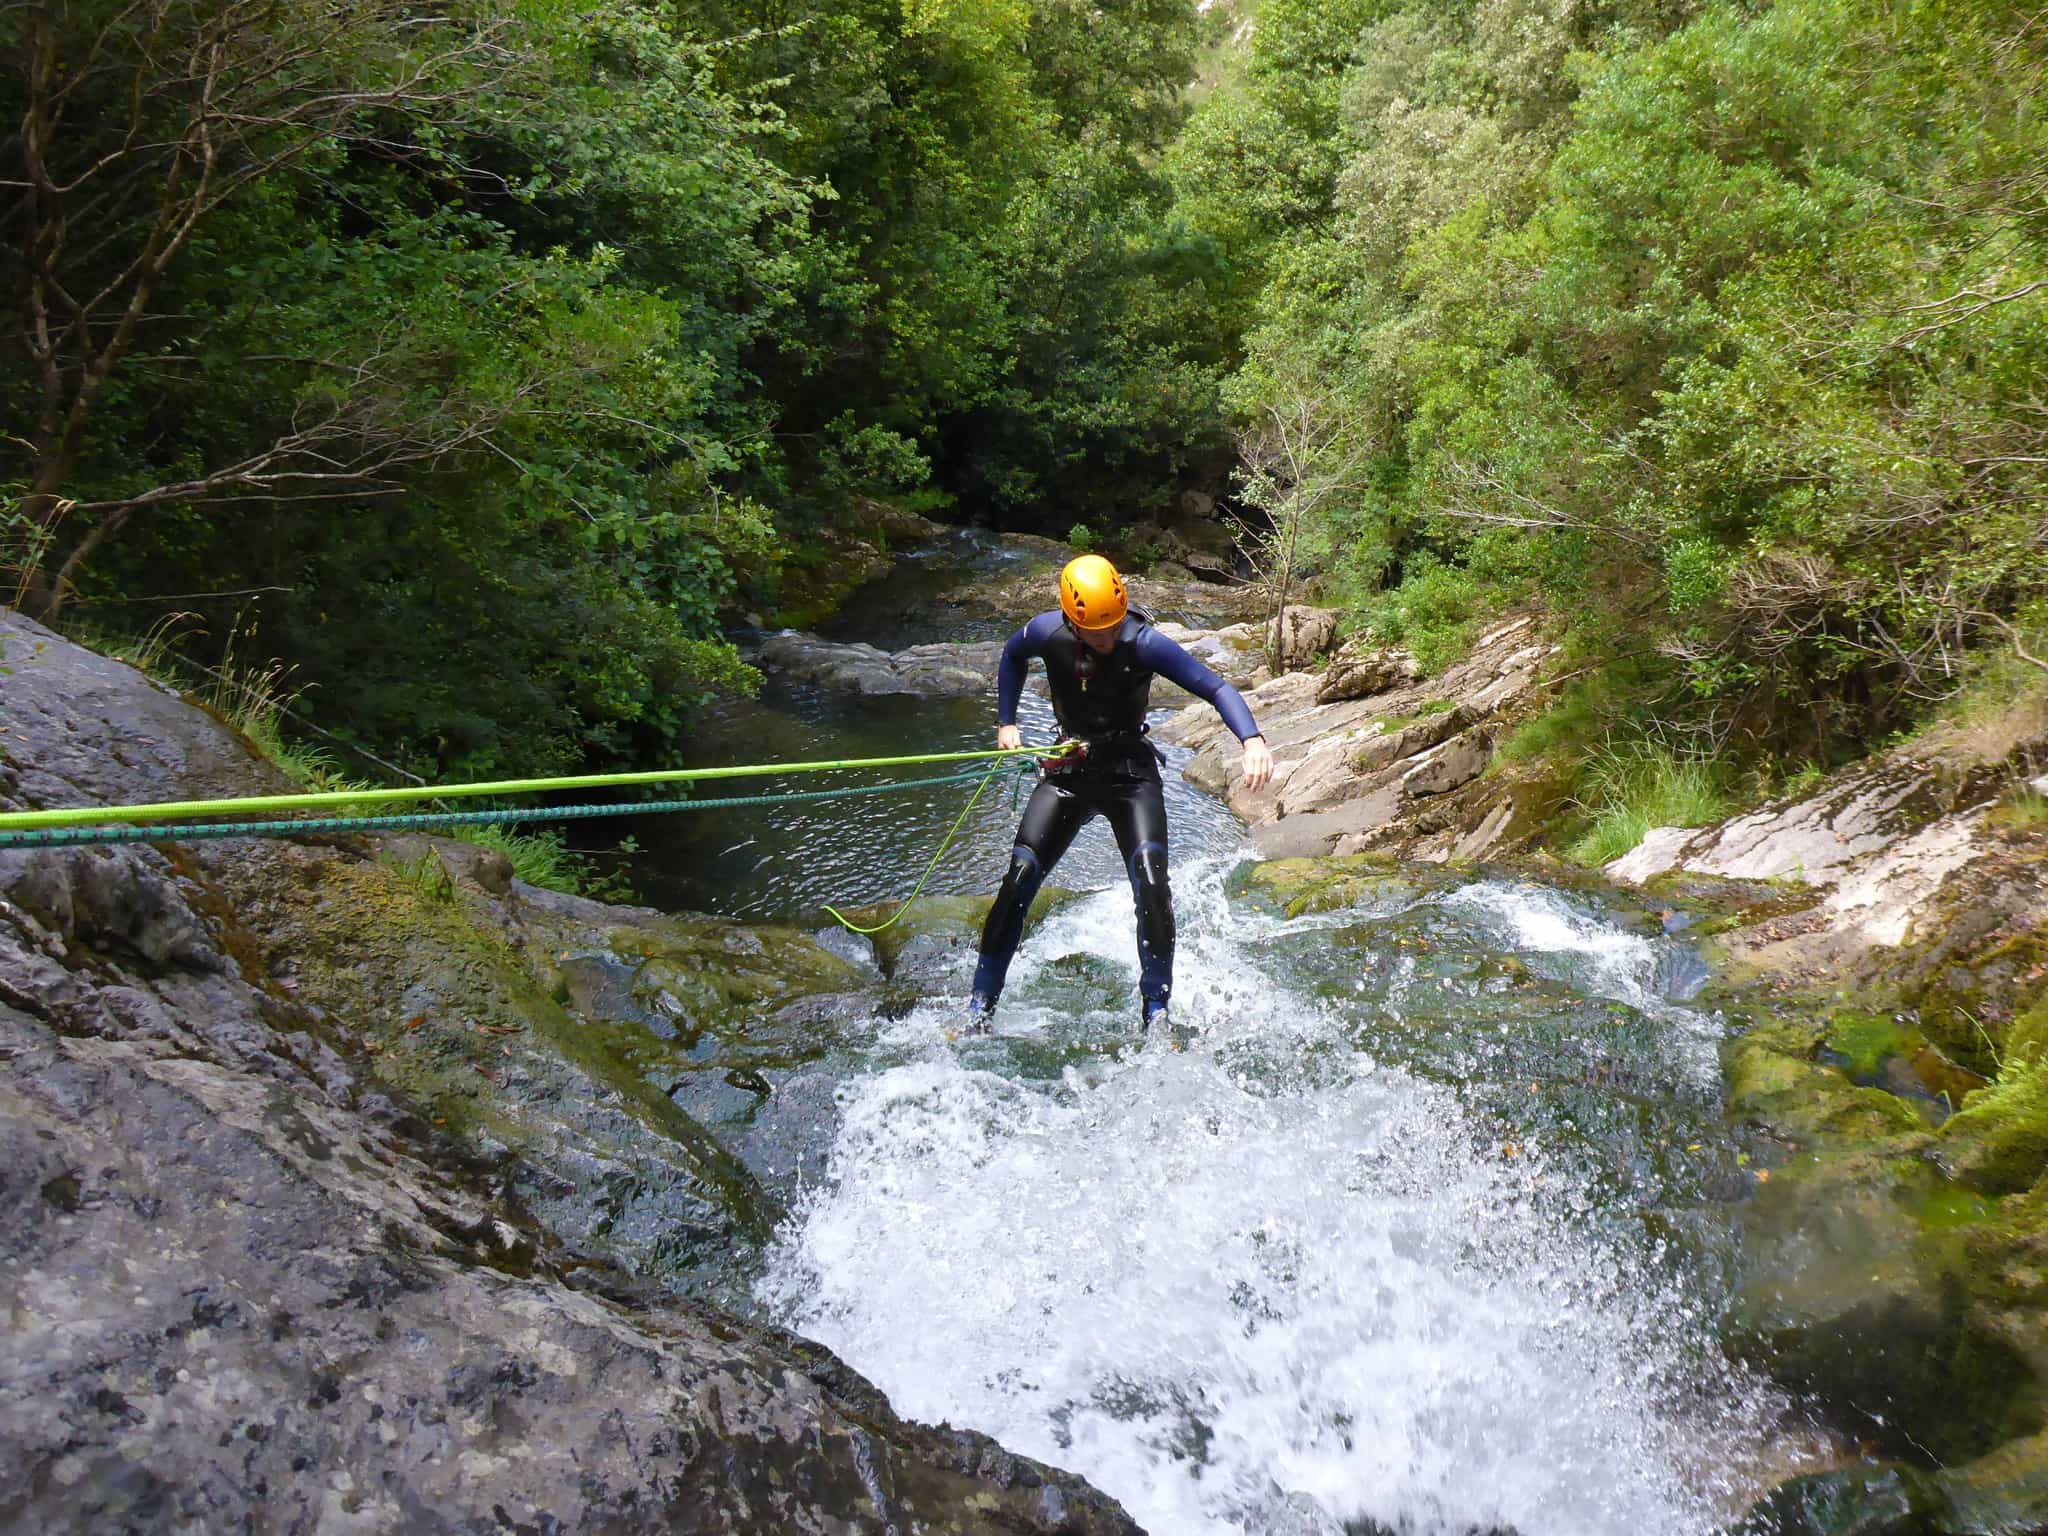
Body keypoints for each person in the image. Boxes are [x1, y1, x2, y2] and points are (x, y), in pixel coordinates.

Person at [965, 553, 1274, 1033]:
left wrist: (1251, 738)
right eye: (1097, 632)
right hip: (1069, 771)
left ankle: (1156, 1015)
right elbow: (1011, 656)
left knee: (1152, 885)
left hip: (1130, 771)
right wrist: (1007, 722)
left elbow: (1215, 688)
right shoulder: (1046, 633)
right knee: (1019, 878)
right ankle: (979, 1010)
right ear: (1072, 619)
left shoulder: (1144, 643)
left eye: (1113, 627)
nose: (1108, 638)